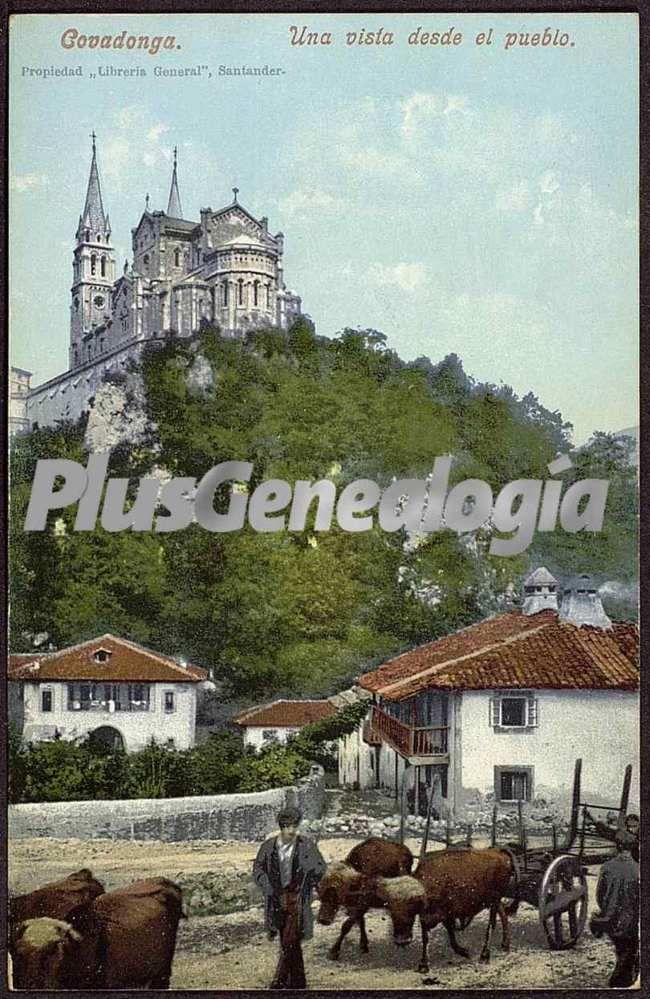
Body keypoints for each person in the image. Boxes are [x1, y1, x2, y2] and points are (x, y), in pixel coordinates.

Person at [253, 806, 326, 989]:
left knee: (290, 938)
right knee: (288, 939)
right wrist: (267, 887)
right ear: (281, 827)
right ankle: (298, 982)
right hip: (276, 898)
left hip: (298, 898)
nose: (291, 830)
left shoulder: (306, 845)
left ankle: (278, 981)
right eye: (287, 826)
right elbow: (258, 870)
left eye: (294, 826)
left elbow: (321, 869)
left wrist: (312, 868)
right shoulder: (268, 847)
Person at [590, 830, 639, 988]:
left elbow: (599, 895)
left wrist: (608, 909)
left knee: (623, 953)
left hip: (611, 922)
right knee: (628, 956)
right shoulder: (638, 869)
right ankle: (620, 984)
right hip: (630, 924)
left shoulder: (606, 867)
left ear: (617, 846)